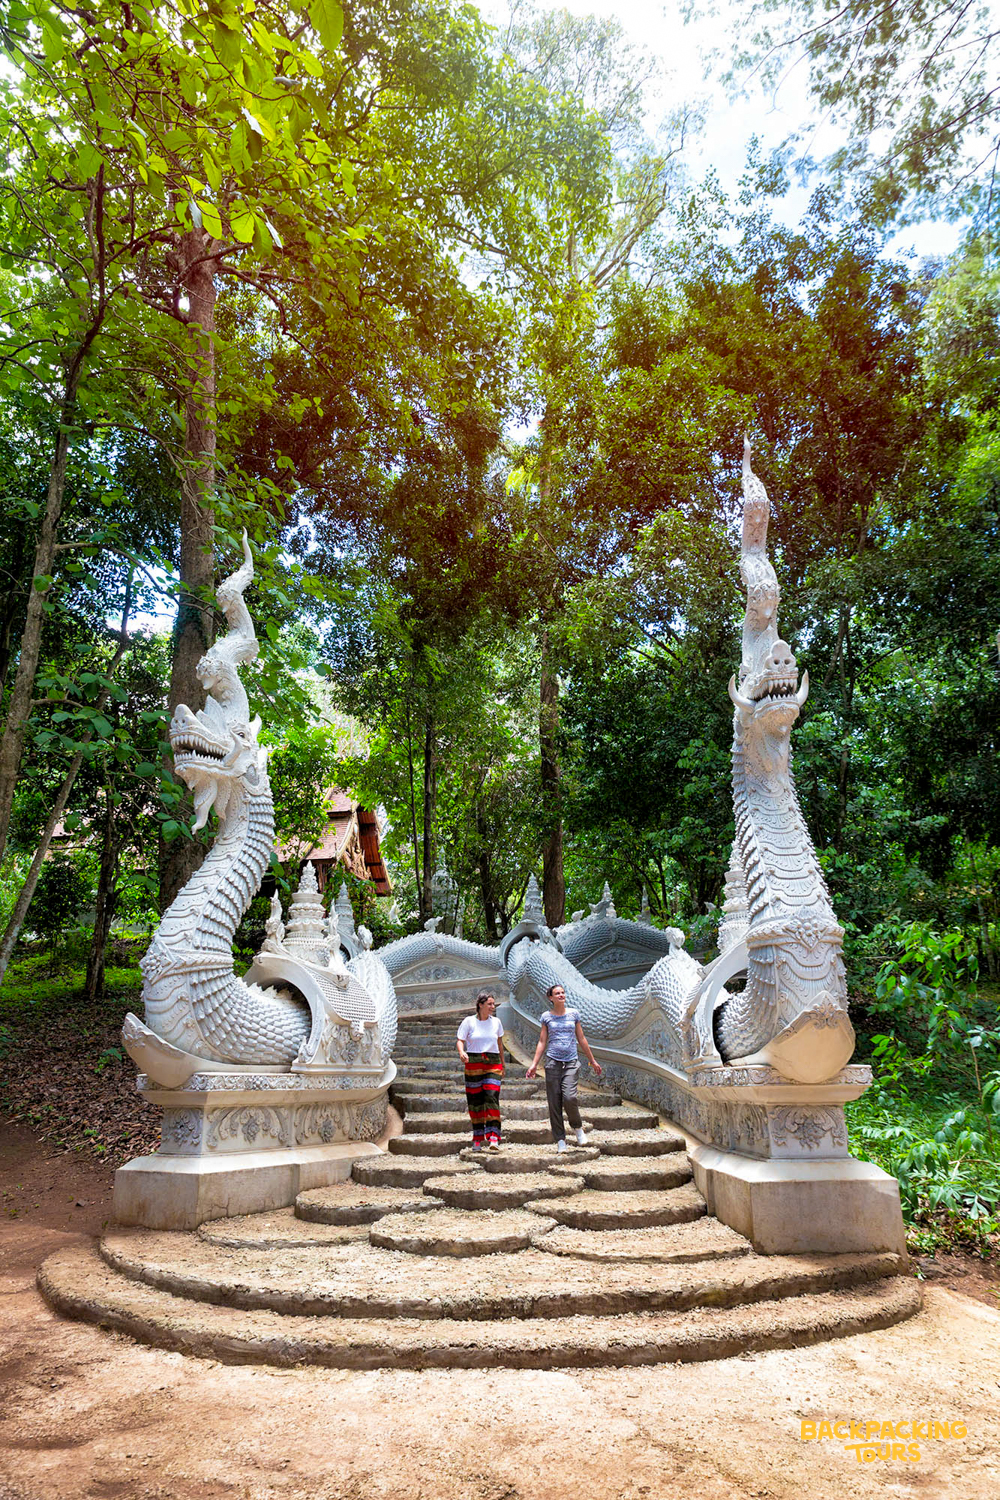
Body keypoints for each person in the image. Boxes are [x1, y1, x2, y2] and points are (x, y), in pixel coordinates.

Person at [525, 981, 603, 1153]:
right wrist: (534, 1064)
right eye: (557, 993)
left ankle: (577, 1128)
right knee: (554, 1102)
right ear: (551, 997)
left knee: (569, 1097)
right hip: (552, 1063)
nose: (561, 995)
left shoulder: (574, 1014)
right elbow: (542, 1041)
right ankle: (560, 1140)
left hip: (571, 1062)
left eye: (563, 993)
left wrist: (593, 1060)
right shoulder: (546, 1016)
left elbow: (581, 1039)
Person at [456, 991, 505, 1152]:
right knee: (475, 1100)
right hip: (473, 1063)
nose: (492, 1007)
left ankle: (493, 1137)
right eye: (490, 1004)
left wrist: (503, 1064)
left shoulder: (496, 1022)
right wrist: (462, 1052)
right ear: (480, 1005)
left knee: (491, 1096)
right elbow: (460, 1040)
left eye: (493, 1004)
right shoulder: (469, 1022)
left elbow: (499, 1044)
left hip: (493, 1063)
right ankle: (477, 1137)